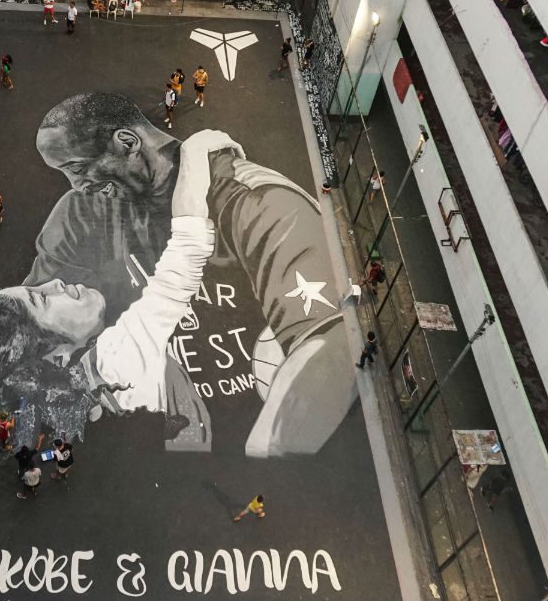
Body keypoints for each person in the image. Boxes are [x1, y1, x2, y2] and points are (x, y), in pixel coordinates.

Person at [26, 94, 353, 459]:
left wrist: (269, 454)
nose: (76, 184)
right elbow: (26, 324)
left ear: (127, 143)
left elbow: (331, 350)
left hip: (241, 428)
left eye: (78, 168)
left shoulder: (258, 201)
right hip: (160, 440)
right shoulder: (80, 212)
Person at [0, 131, 240, 511]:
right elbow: (186, 252)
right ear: (54, 354)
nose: (53, 284)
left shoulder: (72, 385)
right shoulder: (116, 356)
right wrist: (197, 148)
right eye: (41, 298)